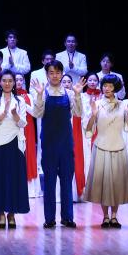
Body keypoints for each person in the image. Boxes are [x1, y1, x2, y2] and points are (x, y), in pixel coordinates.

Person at [32, 60, 86, 228]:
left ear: (62, 74)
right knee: (49, 181)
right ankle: (49, 218)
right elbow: (37, 114)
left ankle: (67, 217)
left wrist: (78, 94)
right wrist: (39, 95)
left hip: (65, 143)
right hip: (49, 143)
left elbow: (78, 113)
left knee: (66, 180)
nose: (55, 76)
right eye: (51, 72)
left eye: (57, 72)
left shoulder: (69, 93)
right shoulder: (43, 93)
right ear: (47, 74)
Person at [81, 74, 128, 227]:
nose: (107, 88)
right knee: (103, 183)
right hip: (101, 146)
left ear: (115, 88)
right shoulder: (97, 104)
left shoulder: (123, 105)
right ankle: (105, 216)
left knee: (116, 182)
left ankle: (114, 216)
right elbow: (88, 130)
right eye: (105, 85)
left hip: (118, 146)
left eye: (110, 86)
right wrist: (93, 115)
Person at [0, 69, 30, 228]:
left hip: (15, 144)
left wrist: (14, 114)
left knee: (14, 179)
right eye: (4, 80)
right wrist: (3, 114)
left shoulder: (20, 100)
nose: (7, 83)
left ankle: (12, 213)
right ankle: (0, 212)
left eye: (10, 81)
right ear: (0, 82)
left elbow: (23, 123)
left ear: (14, 83)